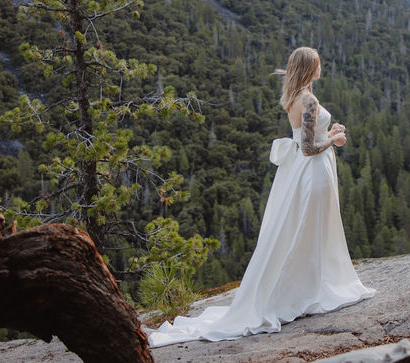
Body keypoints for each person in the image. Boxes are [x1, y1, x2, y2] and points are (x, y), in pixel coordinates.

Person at [149, 47, 375, 347]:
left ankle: (310, 285)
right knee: (315, 229)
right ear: (310, 68)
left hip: (304, 171)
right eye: (318, 64)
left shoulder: (295, 97)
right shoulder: (308, 99)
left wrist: (328, 131)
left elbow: (305, 139)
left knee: (306, 228)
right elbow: (309, 148)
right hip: (314, 171)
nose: (322, 68)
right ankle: (313, 288)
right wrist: (333, 138)